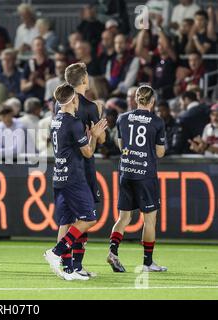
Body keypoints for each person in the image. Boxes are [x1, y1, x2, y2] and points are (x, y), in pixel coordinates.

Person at [44, 83, 107, 281]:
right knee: (89, 219)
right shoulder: (73, 122)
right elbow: (87, 152)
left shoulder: (56, 120)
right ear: (73, 100)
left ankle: (69, 268)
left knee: (67, 221)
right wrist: (94, 136)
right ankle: (56, 252)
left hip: (59, 177)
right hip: (73, 177)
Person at [107, 85, 167, 273]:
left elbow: (121, 145)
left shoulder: (122, 118)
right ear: (152, 101)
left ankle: (113, 252)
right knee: (149, 220)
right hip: (145, 175)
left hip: (126, 172)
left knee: (124, 217)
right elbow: (159, 152)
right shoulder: (157, 122)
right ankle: (148, 262)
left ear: (135, 99)